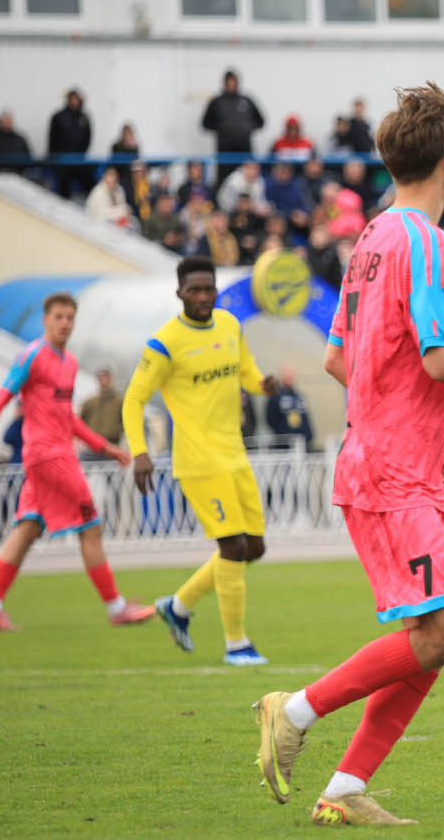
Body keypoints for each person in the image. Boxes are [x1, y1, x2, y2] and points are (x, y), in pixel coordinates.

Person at [252, 83, 444, 827]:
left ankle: (343, 791)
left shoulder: (370, 240)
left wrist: (423, 428)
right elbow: (439, 357)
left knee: (431, 637)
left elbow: (343, 360)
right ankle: (296, 710)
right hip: (394, 471)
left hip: (384, 456)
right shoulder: (426, 244)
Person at [122, 256, 279, 665]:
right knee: (231, 545)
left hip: (234, 453)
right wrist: (140, 452)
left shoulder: (229, 325)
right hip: (198, 461)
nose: (203, 296)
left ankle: (178, 606)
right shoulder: (164, 342)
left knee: (254, 548)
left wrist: (263, 385)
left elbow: (245, 371)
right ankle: (236, 644)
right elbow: (134, 399)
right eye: (194, 290)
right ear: (180, 294)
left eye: (208, 288)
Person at [0, 294, 151, 632]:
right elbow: (2, 398)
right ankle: (116, 607)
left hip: (52, 456)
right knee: (90, 526)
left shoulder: (70, 362)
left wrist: (105, 447)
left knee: (28, 528)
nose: (65, 323)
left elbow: (68, 419)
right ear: (45, 320)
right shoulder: (32, 356)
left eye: (70, 317)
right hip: (50, 457)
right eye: (58, 316)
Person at [201, 69, 265, 155]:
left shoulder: (246, 100)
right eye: (229, 80)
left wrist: (246, 128)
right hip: (224, 149)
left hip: (244, 148)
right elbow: (205, 123)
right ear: (224, 82)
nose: (231, 83)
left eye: (233, 80)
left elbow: (260, 121)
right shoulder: (217, 101)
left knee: (246, 167)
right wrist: (222, 128)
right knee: (225, 166)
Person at [47, 88, 94, 199]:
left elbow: (88, 137)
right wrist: (55, 158)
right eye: (72, 99)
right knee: (63, 189)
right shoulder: (58, 117)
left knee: (90, 183)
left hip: (79, 160)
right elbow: (52, 139)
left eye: (77, 99)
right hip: (62, 161)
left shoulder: (84, 118)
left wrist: (80, 154)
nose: (75, 101)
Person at [263, 365, 314, 451]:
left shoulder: (299, 396)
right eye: (287, 374)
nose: (289, 376)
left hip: (301, 445)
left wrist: (309, 436)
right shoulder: (275, 396)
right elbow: (270, 419)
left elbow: (306, 419)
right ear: (281, 375)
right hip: (283, 448)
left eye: (291, 374)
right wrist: (283, 437)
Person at [78, 366, 124, 446]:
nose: (103, 380)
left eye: (106, 377)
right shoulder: (90, 402)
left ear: (111, 379)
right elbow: (80, 422)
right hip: (92, 445)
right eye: (101, 378)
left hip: (112, 443)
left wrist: (117, 431)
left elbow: (125, 421)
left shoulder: (119, 401)